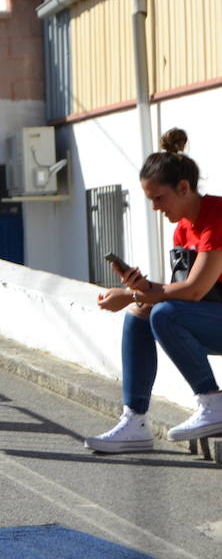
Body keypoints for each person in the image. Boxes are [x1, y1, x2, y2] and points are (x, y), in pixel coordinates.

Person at [86, 128, 222, 453]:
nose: (155, 208)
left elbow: (192, 292)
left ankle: (212, 402)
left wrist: (133, 295)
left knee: (164, 313)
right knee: (141, 315)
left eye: (159, 198)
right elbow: (187, 291)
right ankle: (135, 421)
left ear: (184, 187)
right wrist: (140, 290)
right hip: (213, 315)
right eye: (149, 200)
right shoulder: (182, 231)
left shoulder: (216, 217)